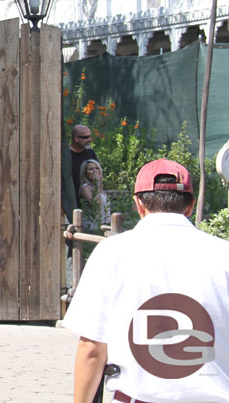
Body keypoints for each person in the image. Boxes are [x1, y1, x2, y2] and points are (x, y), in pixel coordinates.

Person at [62, 158, 229, 402]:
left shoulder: (112, 252)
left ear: (138, 204)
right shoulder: (224, 254)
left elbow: (92, 349)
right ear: (190, 206)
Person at [78, 159, 111, 231]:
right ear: (85, 173)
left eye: (97, 168)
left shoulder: (99, 188)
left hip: (104, 225)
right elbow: (96, 206)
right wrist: (97, 184)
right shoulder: (85, 187)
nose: (95, 171)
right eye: (91, 169)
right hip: (92, 227)